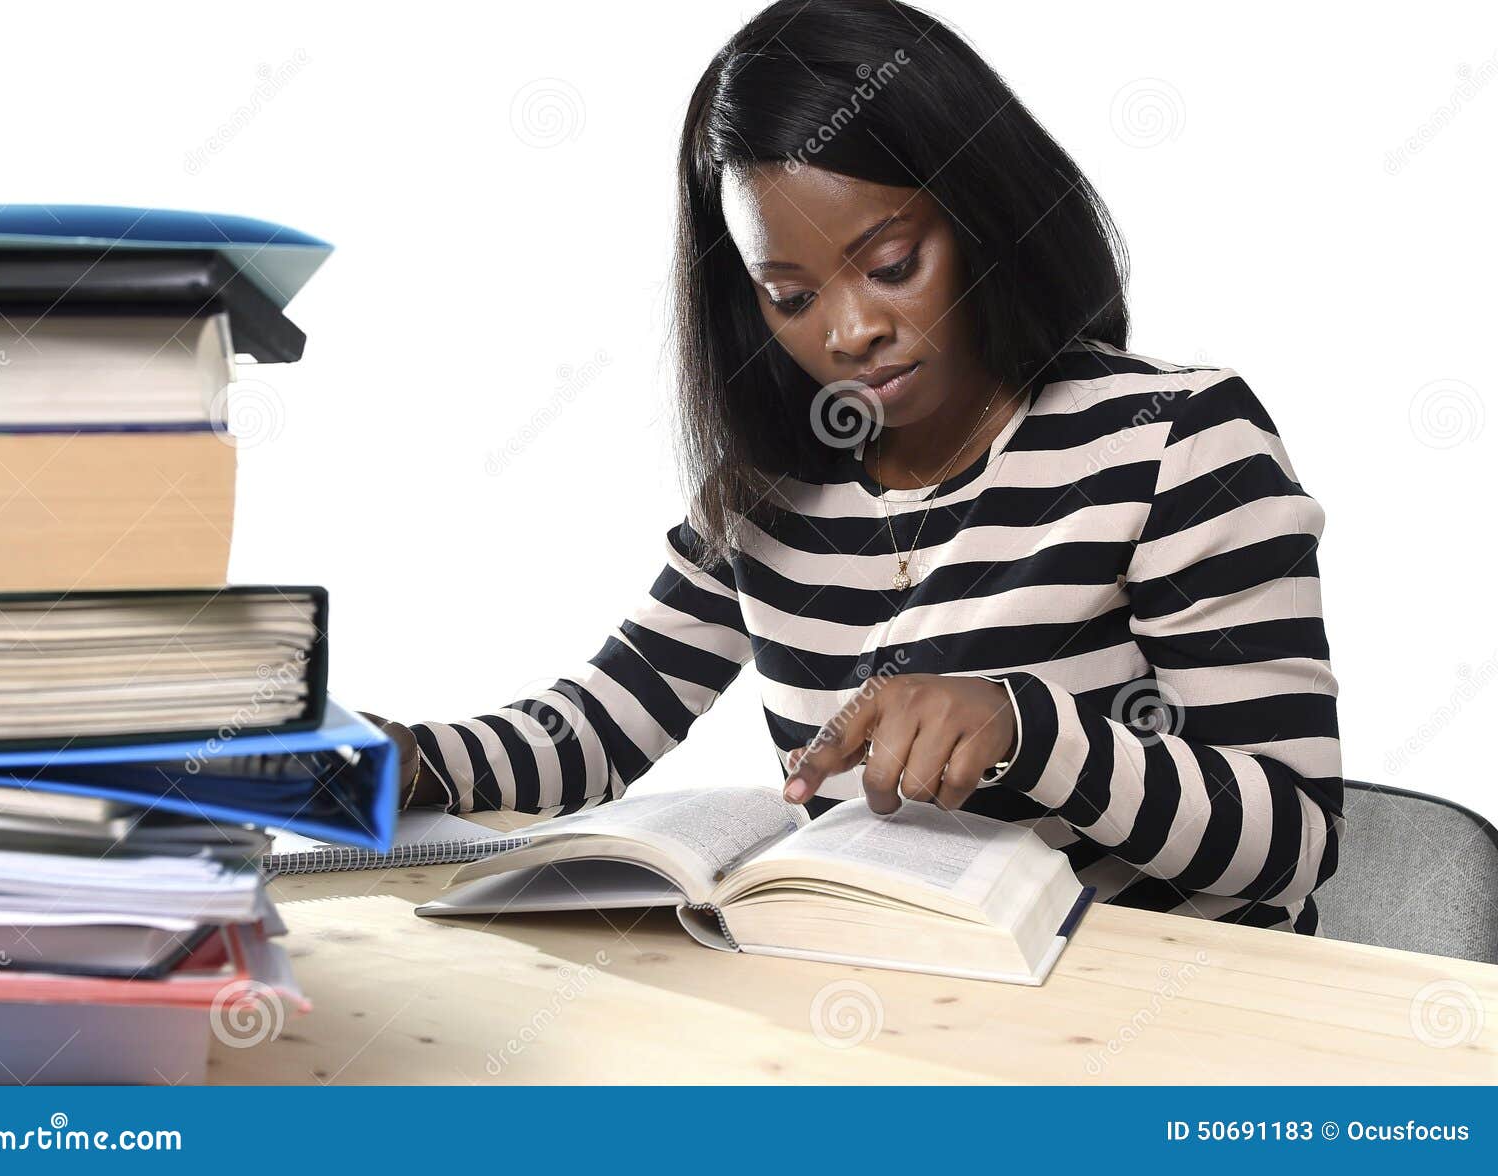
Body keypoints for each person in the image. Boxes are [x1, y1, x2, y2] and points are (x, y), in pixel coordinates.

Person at [365, 0, 1342, 934]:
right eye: (789, 295)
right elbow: (599, 725)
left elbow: (1293, 844)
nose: (850, 330)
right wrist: (401, 761)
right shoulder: (769, 494)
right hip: (904, 1012)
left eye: (889, 267)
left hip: (1169, 1035)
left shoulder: (1174, 442)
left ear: (982, 217)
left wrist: (1020, 728)